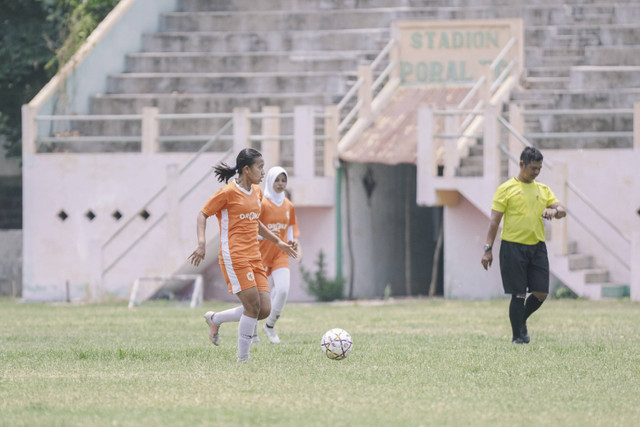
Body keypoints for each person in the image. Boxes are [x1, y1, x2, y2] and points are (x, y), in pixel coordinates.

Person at [187, 148, 297, 361]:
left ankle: (215, 319)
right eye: (260, 167)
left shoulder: (256, 192)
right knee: (252, 307)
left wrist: (279, 242)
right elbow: (203, 214)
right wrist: (201, 244)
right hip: (234, 256)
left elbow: (255, 222)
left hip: (254, 255)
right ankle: (243, 360)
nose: (263, 172)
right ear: (246, 170)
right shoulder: (228, 193)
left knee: (264, 309)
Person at [481, 146, 566, 344]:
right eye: (533, 168)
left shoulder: (543, 190)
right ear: (522, 164)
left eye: (539, 169)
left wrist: (555, 212)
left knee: (541, 293)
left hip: (537, 247)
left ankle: (521, 321)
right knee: (518, 294)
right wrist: (487, 249)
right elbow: (494, 221)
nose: (536, 172)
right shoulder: (506, 188)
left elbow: (562, 210)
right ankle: (517, 337)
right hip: (513, 247)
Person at [258, 166, 301, 344]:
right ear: (270, 181)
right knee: (259, 298)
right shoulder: (262, 202)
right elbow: (255, 227)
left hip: (280, 254)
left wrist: (292, 243)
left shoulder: (288, 205)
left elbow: (290, 227)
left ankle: (269, 325)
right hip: (260, 253)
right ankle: (251, 334)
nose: (280, 184)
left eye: (283, 180)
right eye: (277, 180)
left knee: (282, 290)